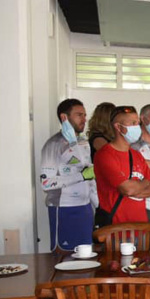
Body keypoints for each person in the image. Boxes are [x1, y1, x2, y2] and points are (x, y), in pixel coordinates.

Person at [39, 99, 97, 251]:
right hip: (64, 208)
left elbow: (89, 176)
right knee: (65, 256)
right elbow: (46, 184)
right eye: (79, 115)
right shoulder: (53, 144)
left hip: (85, 207)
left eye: (85, 115)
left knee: (87, 254)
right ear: (64, 117)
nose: (84, 119)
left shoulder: (83, 142)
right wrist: (81, 176)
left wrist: (97, 204)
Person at [93, 106, 150, 225]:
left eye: (137, 123)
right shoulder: (105, 155)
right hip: (115, 228)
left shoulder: (136, 155)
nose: (137, 127)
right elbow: (127, 189)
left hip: (140, 226)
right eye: (133, 123)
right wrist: (145, 183)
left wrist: (134, 189)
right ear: (118, 127)